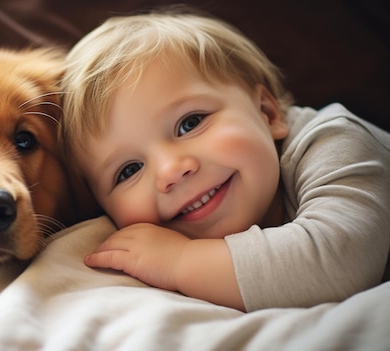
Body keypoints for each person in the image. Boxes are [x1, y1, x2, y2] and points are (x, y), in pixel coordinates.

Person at [58, 8, 390, 312]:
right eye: (129, 170)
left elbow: (340, 262)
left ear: (267, 112)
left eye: (190, 123)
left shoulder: (334, 142)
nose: (171, 171)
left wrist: (181, 262)